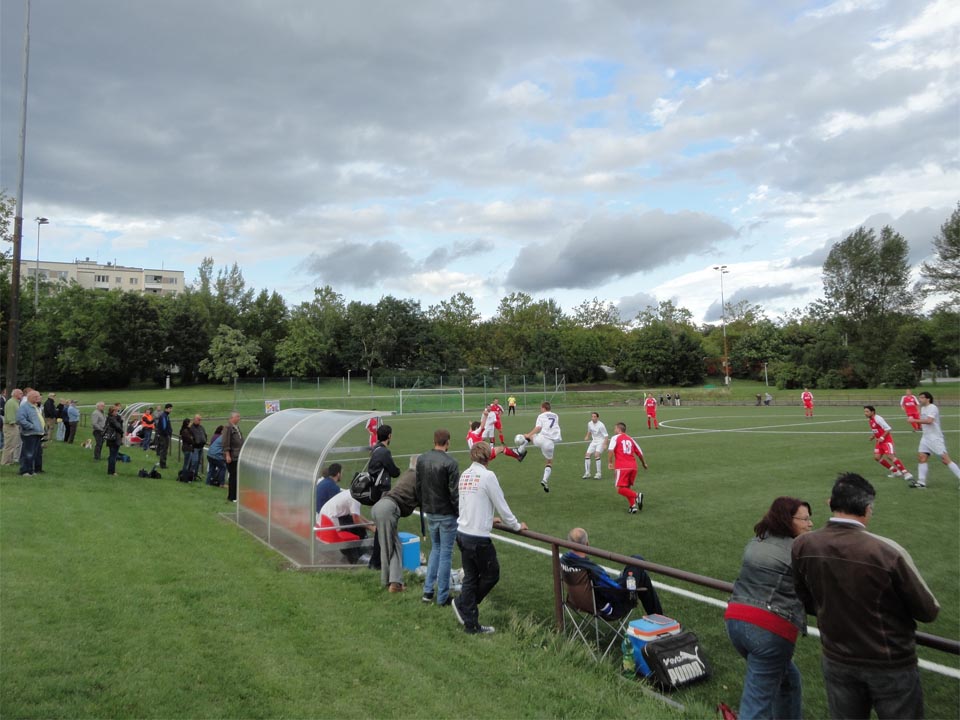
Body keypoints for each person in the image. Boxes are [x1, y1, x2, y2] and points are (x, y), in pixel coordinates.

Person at [792, 473, 939, 720]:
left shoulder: (803, 544)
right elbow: (927, 610)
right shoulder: (886, 551)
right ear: (868, 509)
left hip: (837, 656)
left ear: (830, 503)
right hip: (889, 662)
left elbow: (805, 597)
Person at [725, 497, 813, 720]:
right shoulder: (797, 551)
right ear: (787, 520)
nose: (810, 524)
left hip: (736, 622)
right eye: (805, 519)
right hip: (769, 630)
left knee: (788, 681)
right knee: (756, 705)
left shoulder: (756, 541)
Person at [451, 442, 527, 635]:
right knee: (491, 574)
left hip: (463, 532)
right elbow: (502, 505)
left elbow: (467, 503)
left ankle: (471, 623)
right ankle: (464, 605)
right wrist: (516, 525)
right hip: (477, 537)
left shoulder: (465, 474)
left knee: (470, 578)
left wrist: (486, 517)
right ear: (488, 457)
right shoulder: (488, 476)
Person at [561, 527, 663, 617]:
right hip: (609, 607)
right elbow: (614, 588)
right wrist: (626, 579)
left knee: (638, 570)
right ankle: (659, 619)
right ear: (587, 544)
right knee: (638, 562)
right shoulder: (590, 569)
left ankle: (658, 618)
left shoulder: (564, 560)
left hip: (578, 602)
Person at [418, 429, 461, 606]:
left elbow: (418, 485)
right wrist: (460, 512)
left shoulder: (422, 459)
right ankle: (442, 596)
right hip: (446, 513)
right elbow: (454, 492)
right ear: (447, 442)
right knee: (445, 554)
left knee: (436, 549)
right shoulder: (451, 463)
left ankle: (428, 591)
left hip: (430, 510)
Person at [372, 455, 421, 592]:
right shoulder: (418, 477)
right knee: (393, 546)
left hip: (380, 507)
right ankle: (395, 584)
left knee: (389, 546)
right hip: (388, 508)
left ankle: (388, 581)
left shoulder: (407, 474)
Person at [367, 424, 401, 570]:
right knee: (384, 527)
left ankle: (376, 560)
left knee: (381, 526)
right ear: (389, 436)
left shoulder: (375, 449)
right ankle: (377, 561)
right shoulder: (384, 452)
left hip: (375, 490)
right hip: (382, 492)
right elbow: (394, 472)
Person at [913, 391, 960, 489]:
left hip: (935, 438)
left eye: (922, 397)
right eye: (919, 397)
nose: (920, 399)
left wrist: (914, 420)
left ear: (928, 399)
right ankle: (921, 482)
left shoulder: (933, 407)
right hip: (925, 437)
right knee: (922, 457)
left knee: (945, 460)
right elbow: (925, 423)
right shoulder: (923, 408)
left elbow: (930, 421)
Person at [318, 488, 375, 564]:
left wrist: (368, 523)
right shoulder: (356, 499)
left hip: (328, 518)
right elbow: (357, 520)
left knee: (356, 524)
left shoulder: (352, 492)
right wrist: (372, 528)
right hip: (331, 522)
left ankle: (356, 551)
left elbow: (356, 515)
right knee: (359, 528)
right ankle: (357, 557)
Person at [863, 405, 914, 483]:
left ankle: (906, 473)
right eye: (864, 411)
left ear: (872, 412)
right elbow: (877, 429)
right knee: (877, 457)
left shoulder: (878, 418)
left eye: (867, 411)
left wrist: (882, 437)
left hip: (886, 441)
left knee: (890, 456)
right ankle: (895, 471)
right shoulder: (870, 420)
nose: (865, 413)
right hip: (879, 441)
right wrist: (873, 436)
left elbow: (888, 428)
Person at [520, 401, 561, 493]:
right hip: (550, 444)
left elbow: (538, 428)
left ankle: (520, 449)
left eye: (540, 408)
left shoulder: (541, 416)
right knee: (549, 462)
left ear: (543, 408)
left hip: (542, 439)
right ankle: (545, 479)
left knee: (531, 436)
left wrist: (528, 435)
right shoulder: (556, 415)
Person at [607, 422, 647, 514]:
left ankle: (637, 495)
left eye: (615, 428)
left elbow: (610, 450)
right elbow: (639, 453)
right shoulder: (631, 439)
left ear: (618, 429)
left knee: (619, 489)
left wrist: (610, 462)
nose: (614, 430)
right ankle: (633, 507)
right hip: (633, 467)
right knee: (627, 487)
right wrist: (644, 463)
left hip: (622, 467)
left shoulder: (615, 438)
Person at [17, 390, 45, 476]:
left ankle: (31, 470)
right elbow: (20, 419)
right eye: (36, 397)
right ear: (30, 397)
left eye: (38, 397)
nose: (38, 398)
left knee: (34, 453)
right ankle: (24, 471)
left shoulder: (35, 406)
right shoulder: (24, 407)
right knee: (28, 453)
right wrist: (31, 426)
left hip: (37, 433)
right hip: (29, 434)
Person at [223, 411, 244, 503]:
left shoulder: (237, 427)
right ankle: (231, 496)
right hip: (232, 456)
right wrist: (227, 454)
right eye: (237, 416)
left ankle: (235, 495)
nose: (239, 418)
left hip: (238, 454)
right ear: (232, 418)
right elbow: (226, 442)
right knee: (233, 476)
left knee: (236, 476)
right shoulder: (228, 428)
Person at [583, 411, 609, 479]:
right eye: (592, 416)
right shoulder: (589, 423)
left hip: (601, 441)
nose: (593, 418)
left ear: (597, 417)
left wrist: (605, 444)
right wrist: (587, 436)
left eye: (594, 417)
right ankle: (587, 473)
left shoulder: (601, 425)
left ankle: (598, 473)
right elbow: (589, 431)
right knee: (587, 455)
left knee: (596, 455)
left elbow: (606, 436)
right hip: (594, 441)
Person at [2, 389, 24, 465]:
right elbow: (11, 415)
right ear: (15, 394)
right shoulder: (11, 402)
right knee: (9, 444)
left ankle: (10, 460)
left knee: (13, 444)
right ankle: (5, 462)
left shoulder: (15, 402)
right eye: (20, 393)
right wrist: (13, 423)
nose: (22, 395)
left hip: (14, 425)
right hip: (11, 426)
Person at [104, 406, 125, 476]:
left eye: (117, 411)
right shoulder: (112, 419)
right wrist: (120, 421)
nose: (116, 413)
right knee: (113, 455)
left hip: (113, 439)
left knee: (113, 455)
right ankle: (112, 471)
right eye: (115, 411)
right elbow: (118, 427)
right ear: (111, 412)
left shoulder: (111, 418)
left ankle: (111, 471)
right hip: (114, 439)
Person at [155, 403, 174, 468]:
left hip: (164, 435)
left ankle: (163, 463)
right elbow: (164, 427)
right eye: (170, 408)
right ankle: (162, 464)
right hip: (163, 436)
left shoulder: (166, 415)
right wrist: (168, 433)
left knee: (164, 450)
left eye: (171, 408)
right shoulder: (164, 416)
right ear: (166, 409)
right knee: (164, 450)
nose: (171, 410)